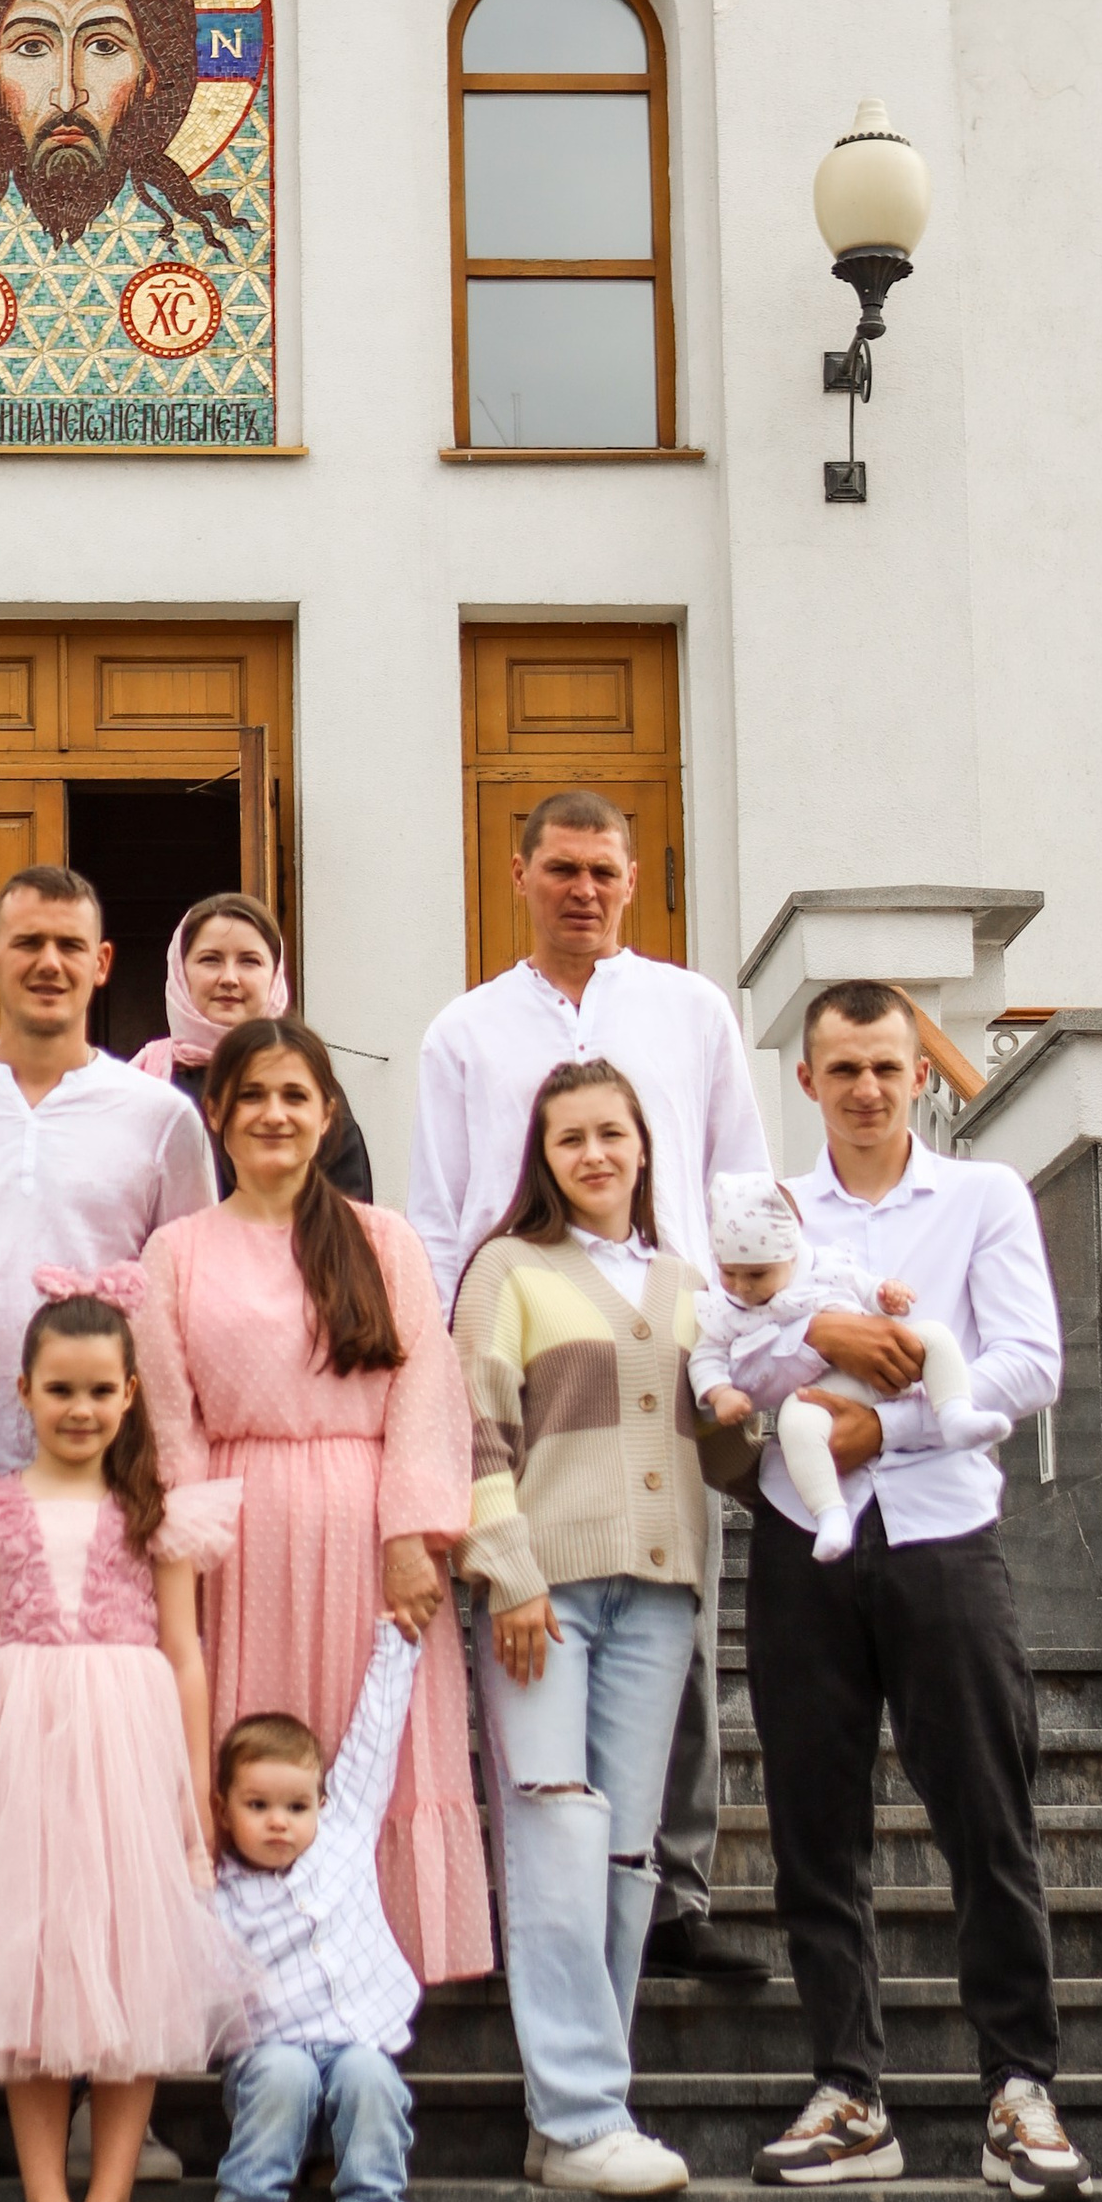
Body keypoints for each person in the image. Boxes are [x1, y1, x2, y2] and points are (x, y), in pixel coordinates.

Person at [0, 865, 218, 2184]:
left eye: (71, 944)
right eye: (25, 943)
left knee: (103, 1824)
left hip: (103, 1503)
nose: (48, 964)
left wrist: (167, 1472)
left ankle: (106, 2086)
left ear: (103, 960)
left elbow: (181, 1298)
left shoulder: (157, 1117)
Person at [408, 790, 770, 1988]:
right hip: (527, 1354)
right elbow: (441, 1211)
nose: (583, 889)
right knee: (524, 1633)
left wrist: (745, 1338)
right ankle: (540, 1903)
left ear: (631, 878)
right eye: (560, 868)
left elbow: (737, 1182)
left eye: (603, 870)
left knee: (681, 1639)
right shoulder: (466, 1031)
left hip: (666, 1350)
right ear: (518, 873)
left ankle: (672, 1893)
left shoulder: (689, 1009)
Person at [745, 982, 1088, 2202]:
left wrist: (879, 1431)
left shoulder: (981, 1195)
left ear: (920, 1076)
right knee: (813, 1828)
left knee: (988, 1815)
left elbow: (1027, 1363)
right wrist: (824, 1345)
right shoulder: (773, 1209)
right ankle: (849, 2094)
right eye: (842, 1068)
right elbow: (731, 1353)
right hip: (803, 1542)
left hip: (945, 1535)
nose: (866, 1089)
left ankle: (1020, 2090)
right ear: (806, 1080)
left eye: (886, 1067)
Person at [0, 1290, 251, 2202]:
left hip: (127, 1754)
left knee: (131, 1968)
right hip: (18, 1757)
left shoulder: (158, 1511)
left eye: (98, 1391)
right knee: (28, 1974)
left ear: (129, 1394)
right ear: (23, 1391)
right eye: (59, 1390)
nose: (79, 1409)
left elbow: (184, 1654)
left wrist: (192, 1790)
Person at [140, 1016, 488, 1992]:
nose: (274, 1114)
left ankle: (372, 2002)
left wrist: (411, 1532)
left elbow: (426, 1389)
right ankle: (249, 1992)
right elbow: (168, 1414)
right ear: (216, 1112)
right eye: (251, 1095)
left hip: (365, 1533)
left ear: (328, 1114)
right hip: (234, 1542)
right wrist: (183, 1549)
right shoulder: (175, 1250)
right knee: (248, 1752)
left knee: (369, 1754)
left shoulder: (383, 1240)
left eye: (295, 1095)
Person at [455, 1058, 709, 2197]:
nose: (595, 1154)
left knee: (621, 1854)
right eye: (571, 1139)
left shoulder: (686, 1281)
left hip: (658, 1596)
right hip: (543, 1596)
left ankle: (573, 2118)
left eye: (612, 1133)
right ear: (544, 1158)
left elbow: (723, 1442)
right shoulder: (508, 1267)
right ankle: (583, 2112)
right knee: (554, 1833)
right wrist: (508, 1571)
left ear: (643, 1144)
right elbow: (476, 1427)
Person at [209, 1619, 422, 2202]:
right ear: (223, 1810)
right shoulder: (219, 1895)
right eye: (258, 1805)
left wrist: (398, 1644)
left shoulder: (343, 1833)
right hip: (270, 2058)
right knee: (285, 2074)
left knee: (373, 2075)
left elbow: (374, 1742)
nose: (279, 1820)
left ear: (322, 1804)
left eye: (297, 1805)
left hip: (354, 2040)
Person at [692, 1169, 1006, 1566]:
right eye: (729, 1272)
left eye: (757, 1274)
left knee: (935, 1337)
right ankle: (830, 1513)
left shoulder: (825, 1267)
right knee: (795, 1423)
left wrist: (885, 1294)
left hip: (889, 1369)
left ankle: (955, 1413)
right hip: (824, 1392)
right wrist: (719, 1391)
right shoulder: (725, 1309)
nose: (742, 1286)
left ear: (791, 1254)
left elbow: (865, 1285)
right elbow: (705, 1355)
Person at [136, 893, 372, 1203]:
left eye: (249, 961)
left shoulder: (306, 1083)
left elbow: (345, 1213)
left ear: (274, 976)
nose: (229, 978)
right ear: (180, 971)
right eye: (210, 959)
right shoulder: (144, 1080)